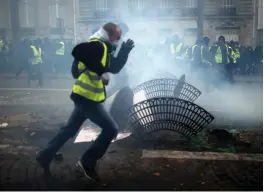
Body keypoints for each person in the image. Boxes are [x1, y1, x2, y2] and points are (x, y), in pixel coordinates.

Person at [36, 22, 135, 182]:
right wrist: (99, 71)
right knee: (111, 129)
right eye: (117, 37)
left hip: (83, 97)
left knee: (69, 129)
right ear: (109, 36)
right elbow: (84, 68)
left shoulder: (102, 46)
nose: (119, 40)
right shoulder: (98, 46)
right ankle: (87, 162)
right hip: (88, 99)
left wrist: (124, 51)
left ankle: (44, 155)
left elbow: (112, 67)